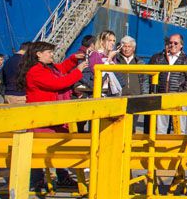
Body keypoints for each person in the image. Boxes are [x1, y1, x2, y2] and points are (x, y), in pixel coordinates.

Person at [18, 41, 88, 190]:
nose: (52, 55)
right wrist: (78, 71)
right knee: (39, 148)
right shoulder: (36, 71)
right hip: (43, 116)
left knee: (58, 146)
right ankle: (37, 181)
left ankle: (61, 177)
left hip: (54, 115)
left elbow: (61, 68)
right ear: (39, 54)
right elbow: (58, 83)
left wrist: (74, 59)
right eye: (49, 52)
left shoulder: (47, 67)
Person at [149, 34, 187, 134]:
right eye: (170, 43)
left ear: (181, 45)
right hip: (163, 95)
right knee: (160, 129)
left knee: (179, 129)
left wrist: (182, 93)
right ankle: (160, 147)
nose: (172, 45)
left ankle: (178, 147)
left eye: (176, 43)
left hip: (179, 97)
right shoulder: (160, 59)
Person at [117, 35, 149, 133]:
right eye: (124, 46)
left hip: (135, 97)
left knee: (132, 126)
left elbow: (145, 81)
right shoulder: (116, 61)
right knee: (118, 124)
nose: (126, 49)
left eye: (129, 47)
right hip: (119, 97)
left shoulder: (139, 62)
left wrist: (144, 96)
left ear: (133, 48)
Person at [86, 31, 123, 96]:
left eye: (114, 41)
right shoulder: (95, 54)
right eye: (109, 40)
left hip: (111, 91)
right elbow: (99, 74)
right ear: (102, 41)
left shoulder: (112, 56)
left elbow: (118, 75)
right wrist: (109, 59)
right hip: (99, 92)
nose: (112, 43)